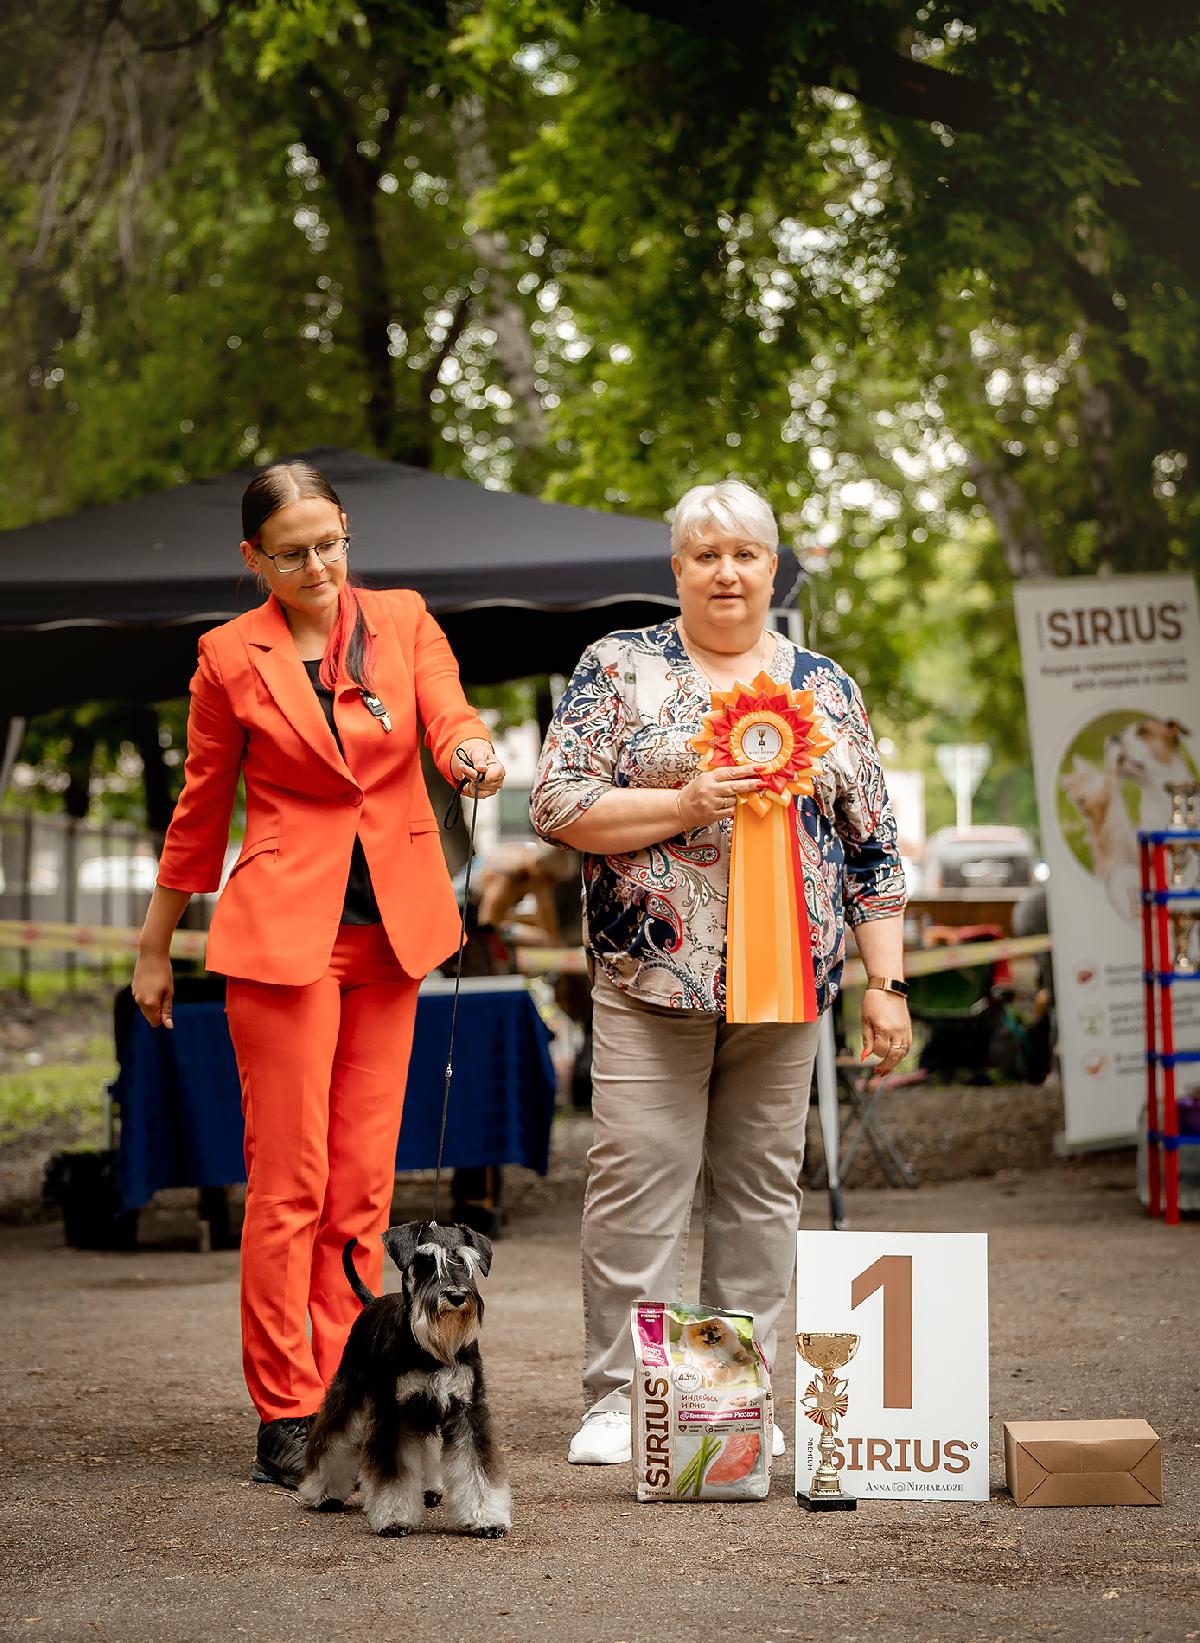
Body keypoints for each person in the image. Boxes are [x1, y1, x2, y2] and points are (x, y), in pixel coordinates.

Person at [131, 461, 504, 1488]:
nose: (316, 565)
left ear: (346, 530)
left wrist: (471, 749)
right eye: (290, 553)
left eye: (328, 542)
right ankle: (287, 1403)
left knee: (362, 1185)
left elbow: (448, 712)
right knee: (288, 1183)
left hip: (392, 932)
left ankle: (356, 1383)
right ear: (253, 558)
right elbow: (201, 806)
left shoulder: (404, 618)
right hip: (281, 934)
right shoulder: (227, 654)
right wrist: (156, 942)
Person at [529, 479, 909, 1466]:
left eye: (745, 553)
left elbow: (873, 848)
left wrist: (886, 984)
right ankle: (622, 1397)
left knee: (760, 1190)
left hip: (790, 988)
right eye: (706, 554)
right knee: (637, 1180)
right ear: (678, 568)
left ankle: (733, 1396)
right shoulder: (618, 666)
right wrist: (685, 800)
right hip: (649, 981)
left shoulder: (826, 685)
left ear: (772, 567)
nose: (726, 571)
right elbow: (557, 804)